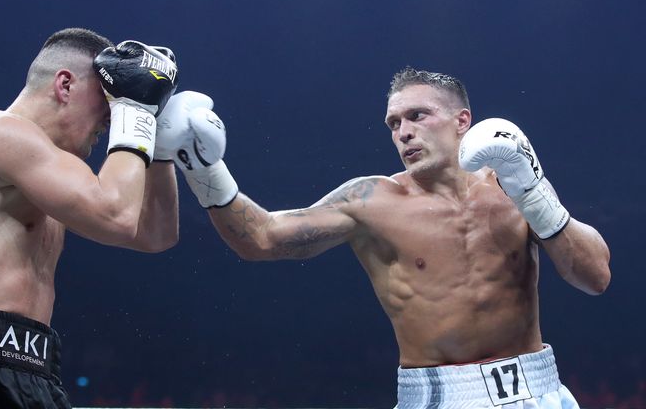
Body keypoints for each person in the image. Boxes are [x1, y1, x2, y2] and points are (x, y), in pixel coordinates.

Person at [155, 68, 611, 408]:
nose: (404, 131)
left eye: (417, 115)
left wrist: (534, 191)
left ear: (461, 120)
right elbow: (263, 238)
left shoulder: (512, 182)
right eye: (393, 124)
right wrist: (202, 167)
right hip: (438, 397)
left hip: (542, 391)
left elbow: (595, 277)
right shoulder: (372, 199)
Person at [0, 28, 180, 409]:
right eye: (106, 98)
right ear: (65, 85)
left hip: (33, 372)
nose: (110, 114)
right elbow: (116, 215)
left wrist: (160, 144)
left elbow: (156, 233)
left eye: (117, 100)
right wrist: (136, 113)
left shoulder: (55, 171)